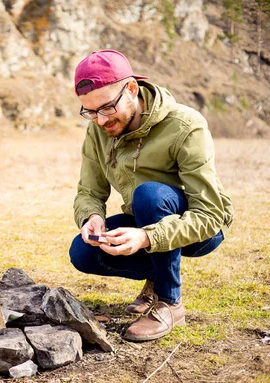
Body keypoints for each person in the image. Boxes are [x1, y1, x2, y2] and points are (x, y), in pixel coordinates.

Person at [68, 49, 234, 342]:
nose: (100, 120)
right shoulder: (98, 129)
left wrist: (146, 238)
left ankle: (170, 302)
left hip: (202, 227)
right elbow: (89, 191)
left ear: (131, 89)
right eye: (90, 112)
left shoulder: (186, 125)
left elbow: (210, 215)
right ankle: (157, 277)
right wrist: (92, 215)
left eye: (106, 108)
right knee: (82, 253)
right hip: (145, 219)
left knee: (150, 195)